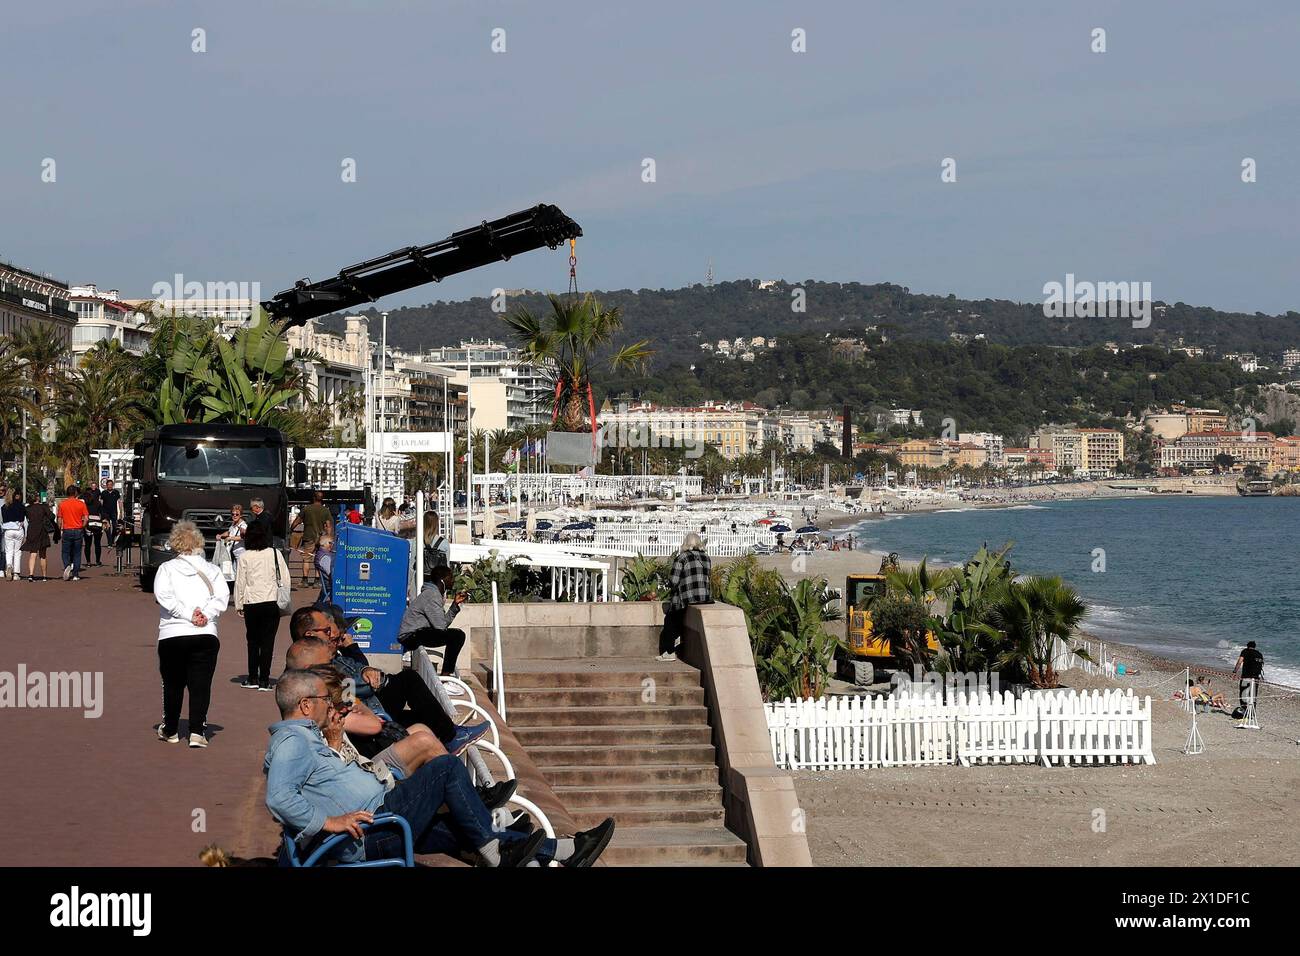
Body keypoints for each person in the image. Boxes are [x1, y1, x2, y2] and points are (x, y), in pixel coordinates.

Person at [265, 669, 614, 867]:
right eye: (325, 700)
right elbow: (278, 797)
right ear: (306, 704)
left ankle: (565, 851)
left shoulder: (304, 738)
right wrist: (329, 822)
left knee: (464, 828)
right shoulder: (293, 742)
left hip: (383, 817)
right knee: (446, 766)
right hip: (376, 830)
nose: (330, 704)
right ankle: (496, 854)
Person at [153, 520, 228, 747]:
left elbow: (163, 597)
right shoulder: (212, 570)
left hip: (172, 634)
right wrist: (203, 614)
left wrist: (187, 614)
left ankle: (171, 729)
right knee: (201, 684)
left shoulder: (166, 569)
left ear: (175, 543)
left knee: (173, 683)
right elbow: (222, 598)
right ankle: (197, 731)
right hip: (206, 633)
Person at [233, 522, 288, 691]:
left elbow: (240, 582)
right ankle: (265, 680)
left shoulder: (245, 556)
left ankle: (252, 677)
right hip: (271, 601)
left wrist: (238, 603)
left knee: (253, 641)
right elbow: (285, 578)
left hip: (251, 602)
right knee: (268, 642)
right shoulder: (274, 553)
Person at [397, 566, 467, 675]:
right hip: (410, 636)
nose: (453, 580)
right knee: (458, 636)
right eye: (450, 577)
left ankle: (447, 674)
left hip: (416, 633)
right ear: (442, 580)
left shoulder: (433, 594)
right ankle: (446, 675)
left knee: (456, 635)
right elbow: (441, 626)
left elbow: (441, 624)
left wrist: (454, 605)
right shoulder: (432, 595)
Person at [658, 532, 713, 661]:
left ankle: (669, 652)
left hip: (688, 597)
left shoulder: (682, 557)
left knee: (670, 620)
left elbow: (673, 581)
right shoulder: (706, 557)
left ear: (686, 543)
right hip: (705, 597)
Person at [290, 490, 333, 588]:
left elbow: (297, 521)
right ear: (322, 499)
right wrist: (328, 538)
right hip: (321, 538)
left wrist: (291, 529)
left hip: (308, 536)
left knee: (306, 559)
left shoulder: (306, 509)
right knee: (318, 558)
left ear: (313, 498)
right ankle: (317, 581)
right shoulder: (325, 510)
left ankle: (304, 580)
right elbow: (328, 525)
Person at [57, 485, 89, 581]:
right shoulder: (81, 504)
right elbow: (86, 518)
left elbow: (59, 519)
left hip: (67, 530)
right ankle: (75, 574)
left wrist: (59, 529)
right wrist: (82, 525)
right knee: (77, 553)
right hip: (78, 529)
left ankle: (67, 565)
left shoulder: (62, 504)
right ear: (75, 493)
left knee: (65, 551)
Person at [20, 492, 54, 581]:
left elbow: (23, 517)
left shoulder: (27, 508)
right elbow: (52, 516)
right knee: (43, 554)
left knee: (33, 553)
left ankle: (31, 574)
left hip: (32, 530)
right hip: (42, 531)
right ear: (37, 498)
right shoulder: (43, 507)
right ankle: (44, 576)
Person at [1232, 641, 1265, 716]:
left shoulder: (1245, 651)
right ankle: (1252, 714)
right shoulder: (1259, 654)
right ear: (1255, 647)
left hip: (1246, 677)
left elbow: (1239, 662)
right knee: (1253, 696)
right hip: (1256, 678)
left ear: (1247, 646)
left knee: (1244, 694)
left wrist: (1234, 672)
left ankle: (1243, 712)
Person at [2, 491, 27, 581]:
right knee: (17, 552)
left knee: (9, 551)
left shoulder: (3, 507)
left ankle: (9, 565)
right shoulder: (21, 506)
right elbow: (24, 521)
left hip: (8, 530)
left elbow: (3, 520)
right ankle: (16, 574)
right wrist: (26, 534)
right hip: (18, 529)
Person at [217, 503, 248, 573]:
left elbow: (242, 537)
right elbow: (229, 532)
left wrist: (230, 538)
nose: (234, 516)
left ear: (241, 515)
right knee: (234, 574)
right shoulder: (233, 524)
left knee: (240, 574)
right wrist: (220, 535)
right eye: (233, 514)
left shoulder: (243, 525)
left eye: (237, 514)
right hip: (234, 554)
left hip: (241, 555)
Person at [422, 511, 450, 577]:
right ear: (437, 524)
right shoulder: (444, 543)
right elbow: (447, 565)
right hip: (437, 582)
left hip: (422, 581)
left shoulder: (417, 541)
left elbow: (412, 567)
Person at [82, 486, 104, 567]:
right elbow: (102, 513)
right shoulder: (98, 503)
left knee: (87, 544)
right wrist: (104, 521)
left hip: (87, 524)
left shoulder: (84, 504)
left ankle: (88, 562)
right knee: (97, 544)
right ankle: (98, 561)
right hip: (97, 524)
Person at [100, 479, 122, 548]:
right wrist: (100, 513)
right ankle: (109, 543)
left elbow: (119, 502)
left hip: (114, 512)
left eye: (111, 485)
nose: (109, 486)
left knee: (115, 527)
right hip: (105, 512)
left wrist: (121, 511)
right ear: (106, 486)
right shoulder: (103, 493)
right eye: (108, 485)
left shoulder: (116, 492)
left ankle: (112, 540)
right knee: (107, 528)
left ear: (113, 485)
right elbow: (101, 502)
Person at [313, 533, 335, 605]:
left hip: (327, 583)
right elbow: (331, 574)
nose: (332, 545)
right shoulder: (325, 557)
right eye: (330, 543)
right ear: (324, 544)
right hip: (329, 584)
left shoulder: (320, 554)